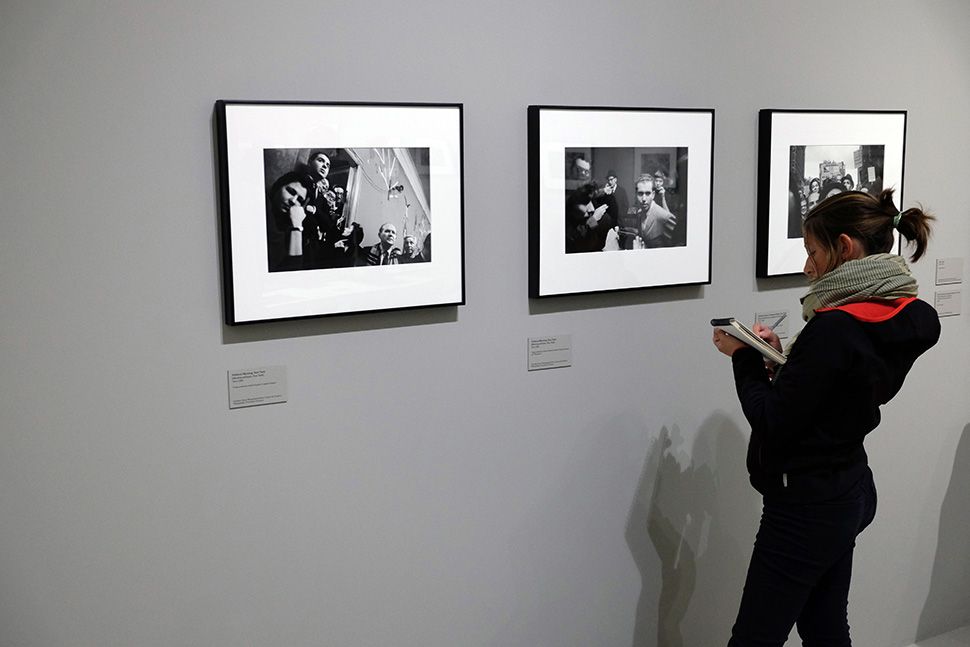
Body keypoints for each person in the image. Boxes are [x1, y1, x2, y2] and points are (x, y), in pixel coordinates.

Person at [712, 188, 940, 646]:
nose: (806, 265)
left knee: (755, 637)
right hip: (848, 488)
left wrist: (742, 357)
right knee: (824, 626)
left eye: (812, 250)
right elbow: (831, 388)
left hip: (805, 505)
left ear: (845, 246)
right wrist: (782, 360)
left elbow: (773, 419)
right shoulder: (905, 313)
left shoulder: (834, 327)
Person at [265, 171, 321, 272]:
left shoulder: (286, 225)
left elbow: (293, 270)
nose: (293, 201)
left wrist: (297, 225)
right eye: (291, 191)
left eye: (300, 199)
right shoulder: (263, 207)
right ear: (279, 186)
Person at [605, 174, 677, 249]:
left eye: (648, 193)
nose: (644, 199)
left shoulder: (664, 217)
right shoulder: (640, 214)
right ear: (636, 194)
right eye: (640, 193)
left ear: (653, 195)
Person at [565, 182, 614, 253]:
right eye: (586, 203)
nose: (592, 208)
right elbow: (582, 244)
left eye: (590, 201)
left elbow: (595, 240)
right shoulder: (567, 226)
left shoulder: (584, 216)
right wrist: (593, 219)